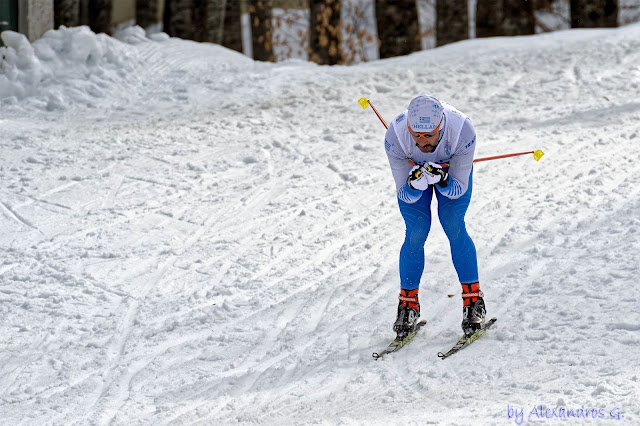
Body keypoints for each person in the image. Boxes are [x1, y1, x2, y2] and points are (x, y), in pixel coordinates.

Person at [383, 94, 486, 339]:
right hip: (413, 171)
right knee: (416, 231)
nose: (422, 142)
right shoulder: (395, 137)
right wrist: (413, 184)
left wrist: (442, 179)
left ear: (441, 126)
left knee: (453, 224)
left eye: (429, 135)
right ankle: (408, 305)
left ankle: (473, 302)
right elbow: (403, 194)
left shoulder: (462, 130)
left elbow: (458, 188)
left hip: (450, 173)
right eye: (416, 135)